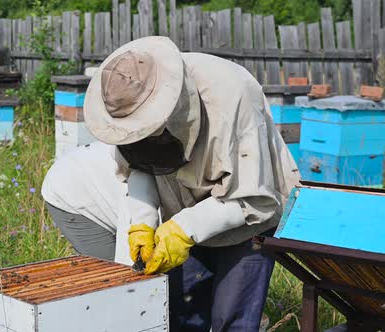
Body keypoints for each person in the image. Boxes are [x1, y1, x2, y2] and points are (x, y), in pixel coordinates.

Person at [79, 36, 301, 331]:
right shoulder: (127, 104)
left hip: (247, 224)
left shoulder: (231, 94)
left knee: (232, 319)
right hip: (183, 218)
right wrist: (143, 223)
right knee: (182, 316)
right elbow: (138, 167)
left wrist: (184, 229)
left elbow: (254, 200)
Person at [41, 141, 161, 265]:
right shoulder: (140, 193)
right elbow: (126, 256)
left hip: (99, 176)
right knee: (109, 269)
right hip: (70, 188)